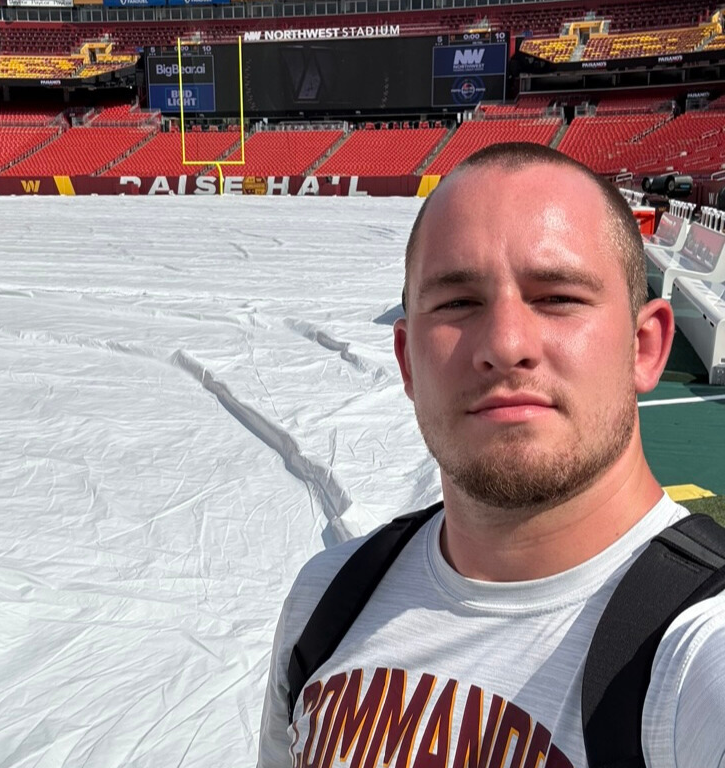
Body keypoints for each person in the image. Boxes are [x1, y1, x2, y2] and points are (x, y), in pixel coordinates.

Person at [257, 143, 725, 768]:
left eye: (557, 296)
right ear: (406, 361)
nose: (505, 346)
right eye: (457, 303)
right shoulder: (327, 600)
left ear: (644, 347)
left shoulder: (698, 653)